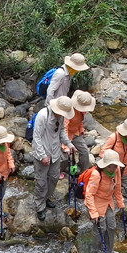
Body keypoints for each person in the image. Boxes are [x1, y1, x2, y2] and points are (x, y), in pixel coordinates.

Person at [31, 94, 74, 222]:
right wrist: (43, 155)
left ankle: (47, 198)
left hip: (55, 152)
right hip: (42, 154)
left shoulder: (60, 117)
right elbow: (36, 137)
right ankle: (39, 207)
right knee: (41, 182)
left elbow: (61, 132)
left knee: (54, 178)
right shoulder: (43, 115)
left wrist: (69, 144)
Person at [85, 149, 125, 253]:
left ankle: (109, 250)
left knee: (111, 226)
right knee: (100, 228)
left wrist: (120, 202)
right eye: (110, 166)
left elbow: (117, 188)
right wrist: (93, 212)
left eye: (114, 166)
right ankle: (95, 251)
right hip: (96, 202)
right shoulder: (97, 174)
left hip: (108, 202)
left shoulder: (117, 170)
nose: (112, 168)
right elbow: (89, 194)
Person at [66, 89, 96, 173]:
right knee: (65, 156)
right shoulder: (69, 110)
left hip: (76, 133)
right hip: (65, 135)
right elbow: (64, 128)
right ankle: (60, 170)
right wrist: (66, 145)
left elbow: (80, 121)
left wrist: (81, 130)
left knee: (85, 151)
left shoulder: (82, 111)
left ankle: (84, 171)